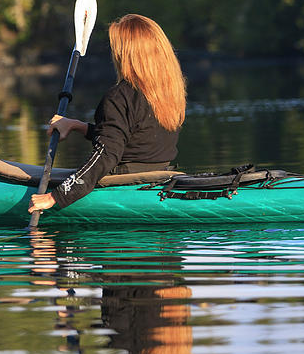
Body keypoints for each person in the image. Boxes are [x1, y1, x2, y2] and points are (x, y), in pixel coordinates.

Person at [28, 14, 186, 212]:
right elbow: (134, 139)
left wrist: (55, 196)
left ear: (127, 54)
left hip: (124, 183)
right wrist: (79, 126)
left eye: (116, 48)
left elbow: (106, 155)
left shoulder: (119, 96)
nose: (114, 54)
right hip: (160, 178)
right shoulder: (168, 93)